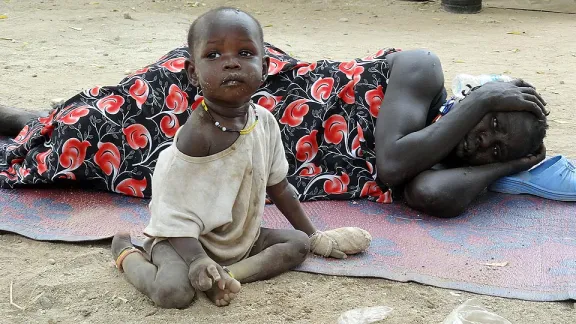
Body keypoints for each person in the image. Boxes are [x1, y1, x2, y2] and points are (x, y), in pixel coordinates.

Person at [0, 9, 548, 218]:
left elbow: (429, 195)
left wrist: (509, 166)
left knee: (85, 154)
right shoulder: (421, 73)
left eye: (498, 146)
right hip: (228, 94)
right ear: (486, 96)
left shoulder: (436, 169)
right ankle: (23, 120)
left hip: (238, 146)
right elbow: (389, 163)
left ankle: (27, 124)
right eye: (493, 120)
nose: (484, 141)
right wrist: (477, 101)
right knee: (81, 124)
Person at [109, 8, 371, 309]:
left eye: (245, 52)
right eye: (213, 55)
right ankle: (127, 255)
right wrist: (196, 260)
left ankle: (226, 275)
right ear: (193, 73)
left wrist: (314, 236)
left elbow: (279, 187)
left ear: (265, 65)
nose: (231, 62)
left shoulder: (265, 122)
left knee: (297, 244)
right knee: (174, 293)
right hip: (182, 240)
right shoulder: (196, 137)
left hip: (239, 239)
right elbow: (171, 213)